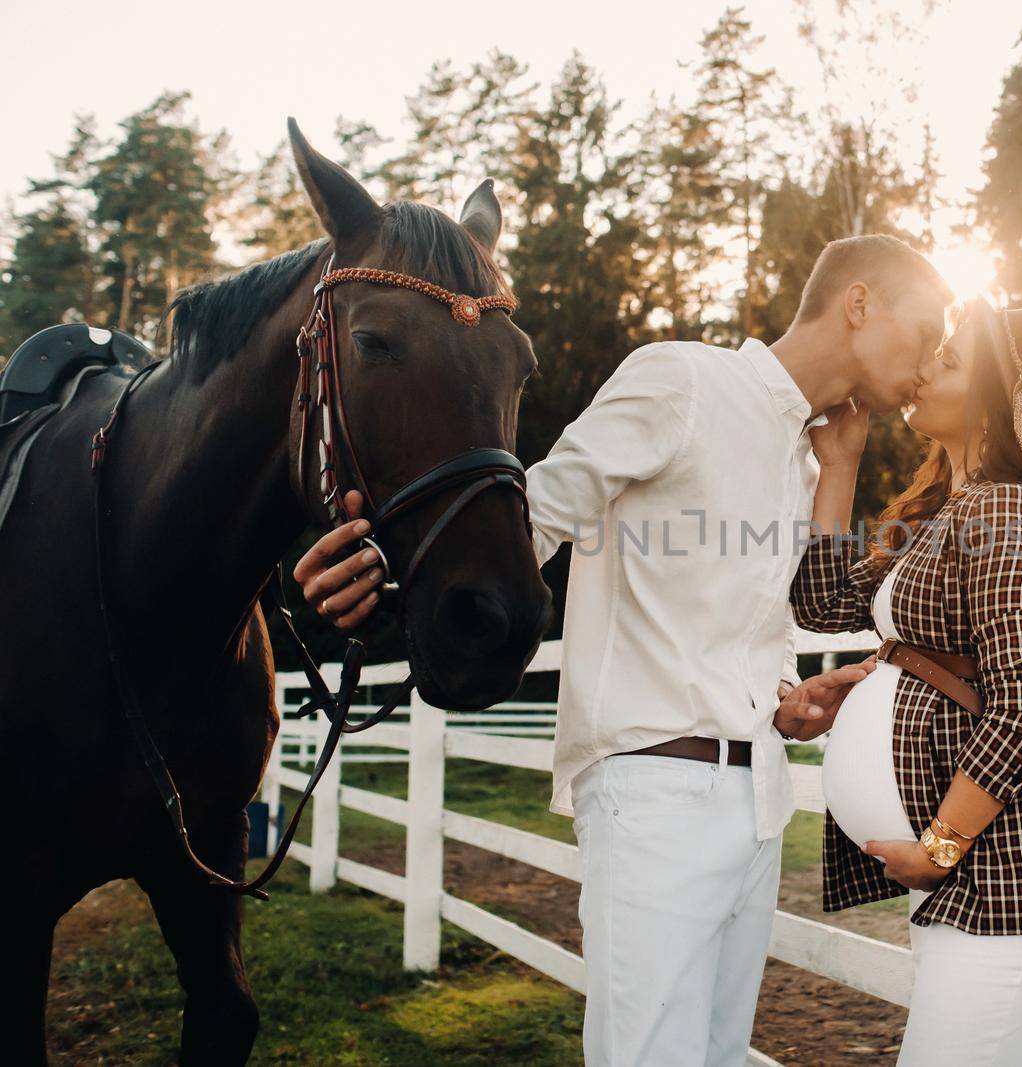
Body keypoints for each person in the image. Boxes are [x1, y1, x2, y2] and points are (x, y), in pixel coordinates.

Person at [294, 234, 954, 1065]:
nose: (933, 356)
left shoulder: (805, 450)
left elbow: (753, 616)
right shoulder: (682, 380)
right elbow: (535, 514)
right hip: (655, 794)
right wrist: (384, 574)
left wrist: (788, 694)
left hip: (756, 807)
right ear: (859, 304)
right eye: (926, 328)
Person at [790, 294, 1022, 1065]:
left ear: (1000, 393)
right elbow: (820, 603)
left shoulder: (1007, 504)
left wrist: (942, 846)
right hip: (974, 876)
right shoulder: (946, 510)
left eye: (946, 361)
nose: (921, 372)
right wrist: (839, 462)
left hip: (1017, 868)